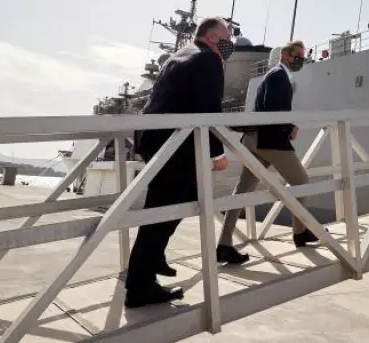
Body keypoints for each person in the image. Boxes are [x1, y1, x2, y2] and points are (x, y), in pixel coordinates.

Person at [124, 17, 233, 308]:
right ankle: (140, 286)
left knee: (187, 195)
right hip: (173, 142)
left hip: (153, 137)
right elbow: (208, 109)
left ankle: (154, 255)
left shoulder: (181, 54)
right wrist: (217, 153)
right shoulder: (209, 59)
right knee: (160, 212)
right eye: (226, 36)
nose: (229, 41)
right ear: (211, 37)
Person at [217, 40, 319, 264]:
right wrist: (289, 126)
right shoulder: (277, 76)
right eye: (298, 56)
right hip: (269, 141)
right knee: (302, 181)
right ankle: (300, 233)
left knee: (241, 192)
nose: (301, 60)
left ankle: (223, 244)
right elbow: (273, 110)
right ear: (285, 56)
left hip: (255, 140)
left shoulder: (276, 75)